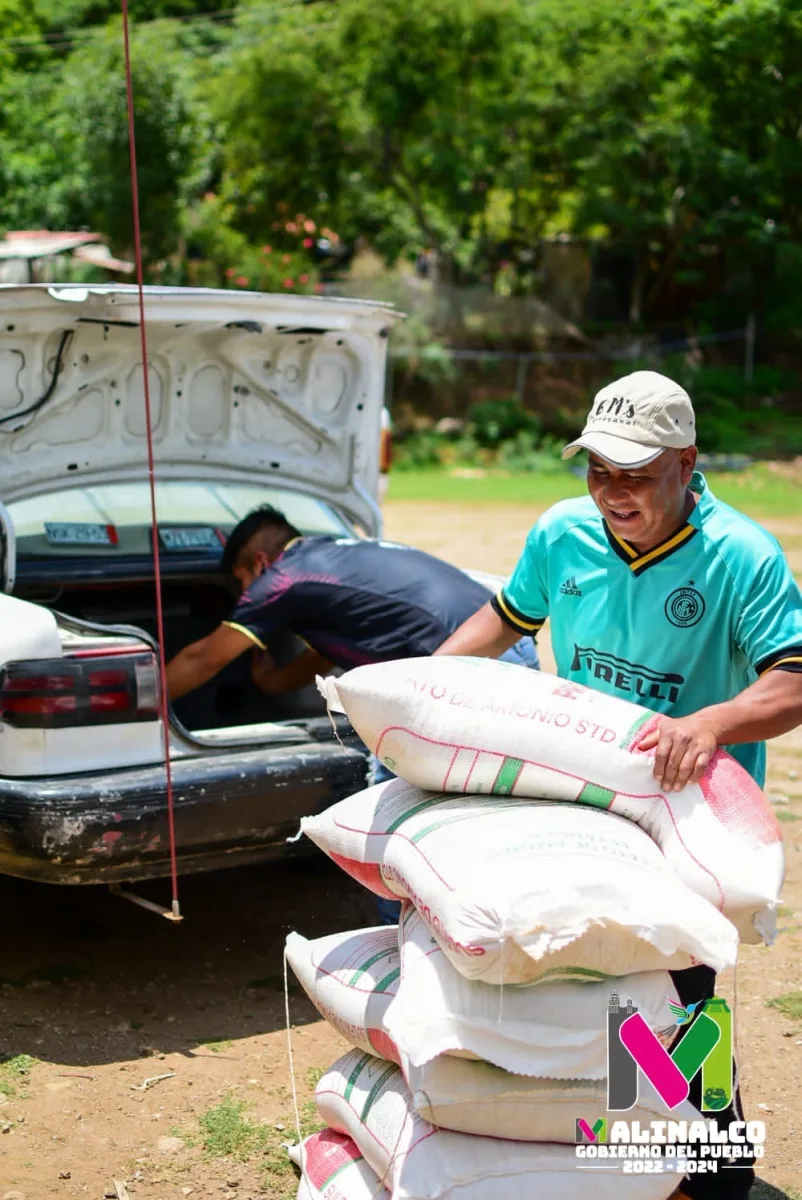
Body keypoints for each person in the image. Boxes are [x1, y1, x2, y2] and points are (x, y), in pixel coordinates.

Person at [435, 369, 802, 1200]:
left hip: (687, 816)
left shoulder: (739, 556)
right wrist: (425, 685)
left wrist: (706, 725)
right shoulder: (564, 533)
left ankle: (709, 1176)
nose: (611, 491)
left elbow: (794, 680)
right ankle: (644, 1169)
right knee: (603, 989)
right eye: (597, 469)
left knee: (677, 989)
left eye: (634, 473)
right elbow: (506, 617)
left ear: (687, 462)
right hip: (583, 804)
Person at [164, 505, 538, 921]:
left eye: (241, 582)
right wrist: (271, 682)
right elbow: (319, 658)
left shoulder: (280, 581)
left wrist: (150, 701)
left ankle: (403, 938)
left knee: (397, 815)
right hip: (507, 643)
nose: (245, 594)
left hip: (460, 672)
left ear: (259, 562)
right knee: (490, 807)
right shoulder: (339, 556)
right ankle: (500, 915)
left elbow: (203, 658)